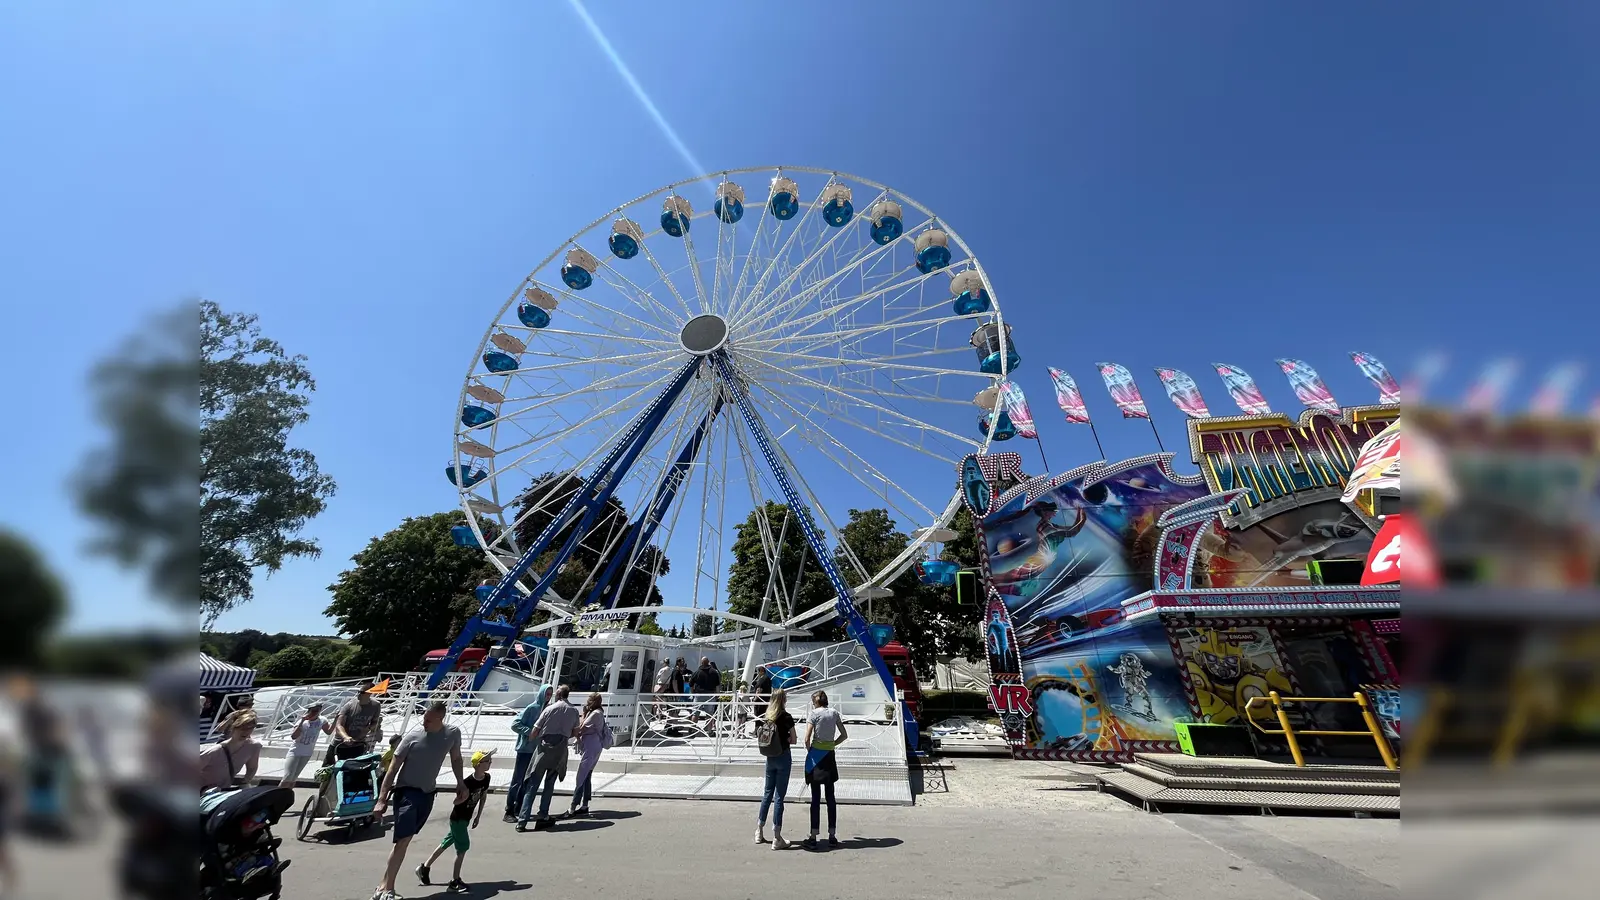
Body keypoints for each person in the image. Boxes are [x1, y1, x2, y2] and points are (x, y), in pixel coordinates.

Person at [370, 701, 466, 900]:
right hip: (407, 793)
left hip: (428, 794)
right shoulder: (412, 738)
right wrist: (381, 799)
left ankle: (381, 887)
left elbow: (456, 758)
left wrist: (460, 782)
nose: (424, 723)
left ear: (441, 719)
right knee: (402, 840)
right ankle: (388, 890)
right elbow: (392, 769)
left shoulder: (452, 733)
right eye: (423, 718)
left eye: (429, 720)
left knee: (404, 842)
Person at [416, 749, 493, 892]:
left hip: (467, 818)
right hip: (458, 819)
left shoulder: (487, 778)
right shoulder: (467, 782)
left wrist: (478, 816)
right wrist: (462, 798)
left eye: (490, 760)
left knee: (446, 843)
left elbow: (483, 796)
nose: (490, 763)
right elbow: (455, 802)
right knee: (462, 848)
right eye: (486, 761)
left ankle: (424, 867)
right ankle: (454, 882)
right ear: (477, 764)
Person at [516, 685, 581, 832]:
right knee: (549, 784)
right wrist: (563, 736)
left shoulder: (549, 709)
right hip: (560, 751)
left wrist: (535, 738)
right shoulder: (574, 711)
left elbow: (534, 731)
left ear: (558, 694)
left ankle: (522, 820)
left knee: (532, 784)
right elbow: (576, 732)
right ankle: (543, 815)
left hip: (543, 749)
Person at [754, 688, 798, 850]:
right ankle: (777, 837)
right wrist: (786, 738)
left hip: (770, 758)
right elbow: (793, 740)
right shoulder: (786, 717)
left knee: (767, 793)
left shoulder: (768, 716)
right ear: (784, 700)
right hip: (783, 757)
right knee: (779, 797)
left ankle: (759, 830)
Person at [803, 690, 847, 847]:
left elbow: (807, 738)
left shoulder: (814, 714)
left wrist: (811, 751)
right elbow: (844, 735)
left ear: (816, 702)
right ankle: (832, 835)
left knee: (815, 798)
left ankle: (813, 836)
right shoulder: (834, 713)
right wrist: (832, 744)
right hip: (830, 756)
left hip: (816, 757)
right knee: (830, 797)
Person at [503, 685, 552, 822]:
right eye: (546, 694)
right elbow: (515, 724)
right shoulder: (532, 708)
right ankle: (509, 810)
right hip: (525, 749)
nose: (548, 697)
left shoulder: (547, 710)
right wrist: (530, 732)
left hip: (536, 750)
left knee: (527, 781)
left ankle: (519, 807)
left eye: (550, 694)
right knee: (517, 780)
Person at [569, 693, 610, 818]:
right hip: (594, 746)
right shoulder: (598, 713)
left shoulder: (595, 714)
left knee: (581, 775)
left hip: (591, 748)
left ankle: (573, 806)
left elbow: (580, 728)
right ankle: (585, 804)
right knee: (587, 775)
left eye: (589, 700)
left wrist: (583, 715)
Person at [199, 711, 262, 792]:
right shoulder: (215, 751)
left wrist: (245, 783)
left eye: (250, 728)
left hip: (223, 791)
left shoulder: (254, 746)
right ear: (233, 727)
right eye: (242, 728)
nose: (246, 732)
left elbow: (252, 768)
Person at [328, 679, 385, 765]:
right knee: (327, 772)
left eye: (362, 692)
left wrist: (368, 728)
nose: (358, 694)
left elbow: (375, 722)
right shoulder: (349, 705)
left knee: (352, 772)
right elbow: (339, 725)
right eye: (358, 691)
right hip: (339, 744)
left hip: (358, 744)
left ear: (369, 694)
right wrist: (345, 737)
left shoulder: (376, 705)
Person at [279, 703, 332, 791]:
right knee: (288, 776)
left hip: (307, 753)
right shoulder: (303, 722)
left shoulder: (322, 720)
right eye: (313, 711)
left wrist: (337, 719)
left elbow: (329, 732)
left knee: (294, 777)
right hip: (295, 752)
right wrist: (302, 721)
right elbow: (294, 736)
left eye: (317, 710)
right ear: (309, 711)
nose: (315, 713)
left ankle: (286, 795)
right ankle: (276, 795)